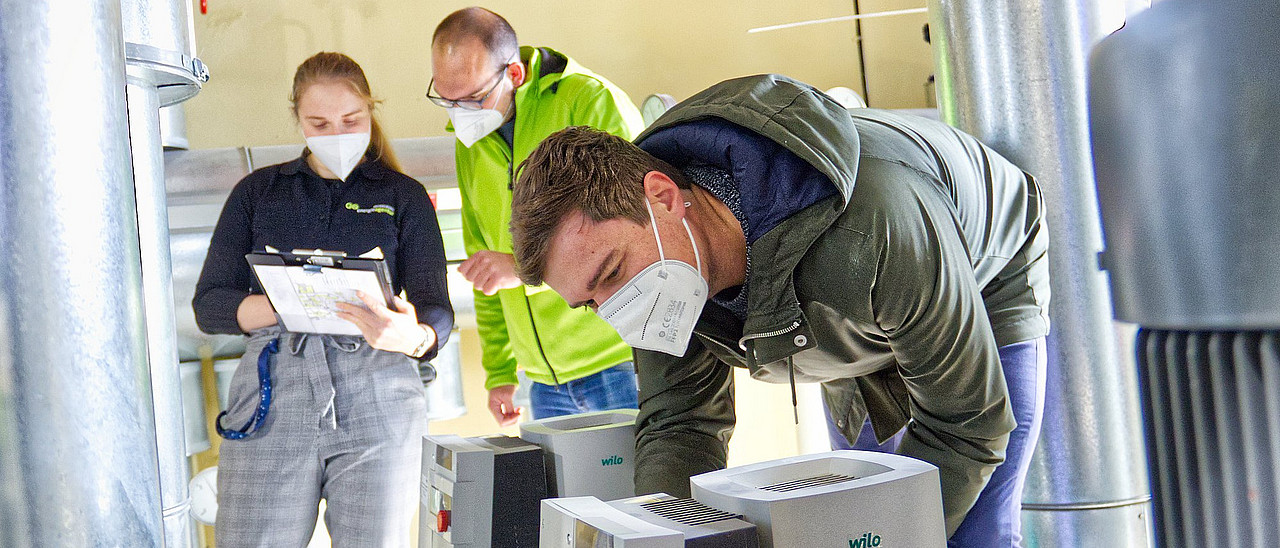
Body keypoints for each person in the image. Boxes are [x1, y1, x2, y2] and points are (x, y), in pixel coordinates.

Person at [508, 74, 1050, 547]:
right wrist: (657, 539)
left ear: (663, 196)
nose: (614, 310)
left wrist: (885, 533)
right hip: (854, 310)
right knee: (850, 513)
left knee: (967, 527)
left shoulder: (873, 228)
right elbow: (681, 425)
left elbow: (967, 424)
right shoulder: (660, 263)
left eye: (610, 275)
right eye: (590, 304)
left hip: (981, 275)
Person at [193, 52, 453, 546]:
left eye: (351, 120)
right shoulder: (258, 192)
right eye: (319, 122)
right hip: (274, 385)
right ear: (298, 120)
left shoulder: (404, 195)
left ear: (371, 113)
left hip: (379, 385)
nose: (336, 134)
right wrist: (285, 301)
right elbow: (209, 304)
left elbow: (436, 306)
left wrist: (415, 336)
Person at [427, 7, 643, 426]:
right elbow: (484, 267)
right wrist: (501, 373)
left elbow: (632, 233)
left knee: (645, 493)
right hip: (543, 384)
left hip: (620, 361)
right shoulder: (469, 145)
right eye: (446, 99)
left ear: (514, 74)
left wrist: (527, 270)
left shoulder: (589, 101)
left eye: (471, 99)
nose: (459, 115)